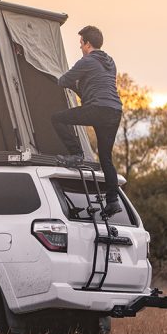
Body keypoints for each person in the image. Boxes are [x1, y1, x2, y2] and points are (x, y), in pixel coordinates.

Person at [52, 25, 123, 217]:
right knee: (106, 158)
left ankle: (76, 154)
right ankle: (113, 201)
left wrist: (74, 83)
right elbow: (93, 88)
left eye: (81, 44)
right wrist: (80, 87)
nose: (80, 48)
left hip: (98, 109)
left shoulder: (87, 61)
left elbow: (62, 81)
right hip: (114, 111)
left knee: (58, 119)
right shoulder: (110, 62)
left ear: (88, 44)